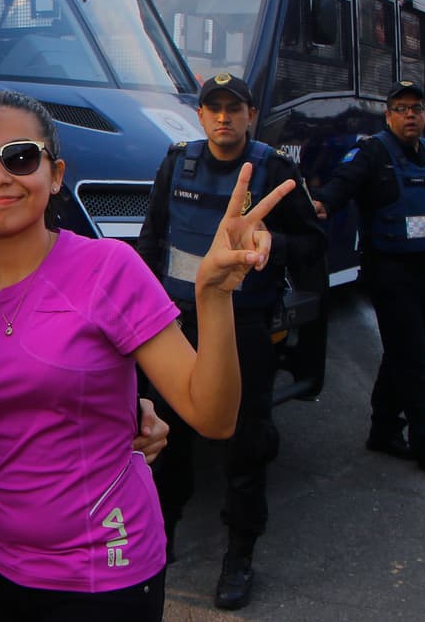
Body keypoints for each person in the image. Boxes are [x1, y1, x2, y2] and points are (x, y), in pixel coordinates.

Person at [0, 89, 297, 621]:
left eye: (20, 157)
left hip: (104, 568)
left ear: (55, 173)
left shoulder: (109, 268)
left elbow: (213, 416)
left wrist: (215, 294)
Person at [136, 72, 325, 611]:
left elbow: (314, 244)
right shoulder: (178, 162)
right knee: (167, 441)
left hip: (243, 329)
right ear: (200, 116)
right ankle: (161, 538)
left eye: (233, 108)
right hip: (177, 325)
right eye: (213, 108)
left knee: (246, 446)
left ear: (250, 115)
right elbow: (153, 240)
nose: (223, 117)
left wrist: (272, 243)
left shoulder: (275, 170)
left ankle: (238, 555)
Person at [311, 80, 425, 480]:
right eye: (401, 108)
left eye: (417, 107)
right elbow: (342, 185)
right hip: (390, 271)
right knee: (413, 356)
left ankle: (383, 430)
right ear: (389, 115)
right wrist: (323, 203)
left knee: (406, 351)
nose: (410, 114)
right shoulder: (372, 151)